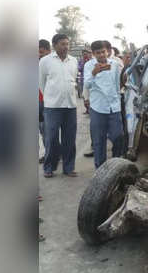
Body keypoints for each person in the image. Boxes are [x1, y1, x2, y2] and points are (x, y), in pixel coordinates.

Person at [39, 33, 79, 178]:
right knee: (52, 138)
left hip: (70, 106)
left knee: (69, 138)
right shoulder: (45, 61)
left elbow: (73, 79)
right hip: (52, 107)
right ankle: (49, 167)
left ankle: (68, 168)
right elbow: (41, 83)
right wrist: (51, 97)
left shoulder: (73, 61)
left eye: (67, 44)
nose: (65, 47)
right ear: (54, 45)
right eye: (62, 44)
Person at [84, 40, 125, 168]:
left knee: (118, 136)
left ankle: (115, 165)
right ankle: (100, 168)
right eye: (98, 53)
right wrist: (94, 73)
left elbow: (117, 84)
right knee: (99, 140)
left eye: (103, 52)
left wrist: (118, 99)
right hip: (98, 108)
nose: (101, 55)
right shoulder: (89, 65)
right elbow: (87, 85)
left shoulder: (115, 64)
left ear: (107, 51)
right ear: (93, 54)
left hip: (114, 106)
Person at [38, 39, 51, 164]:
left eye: (41, 52)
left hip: (47, 102)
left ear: (48, 50)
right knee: (41, 130)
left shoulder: (51, 64)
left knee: (47, 130)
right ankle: (47, 152)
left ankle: (51, 154)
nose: (39, 55)